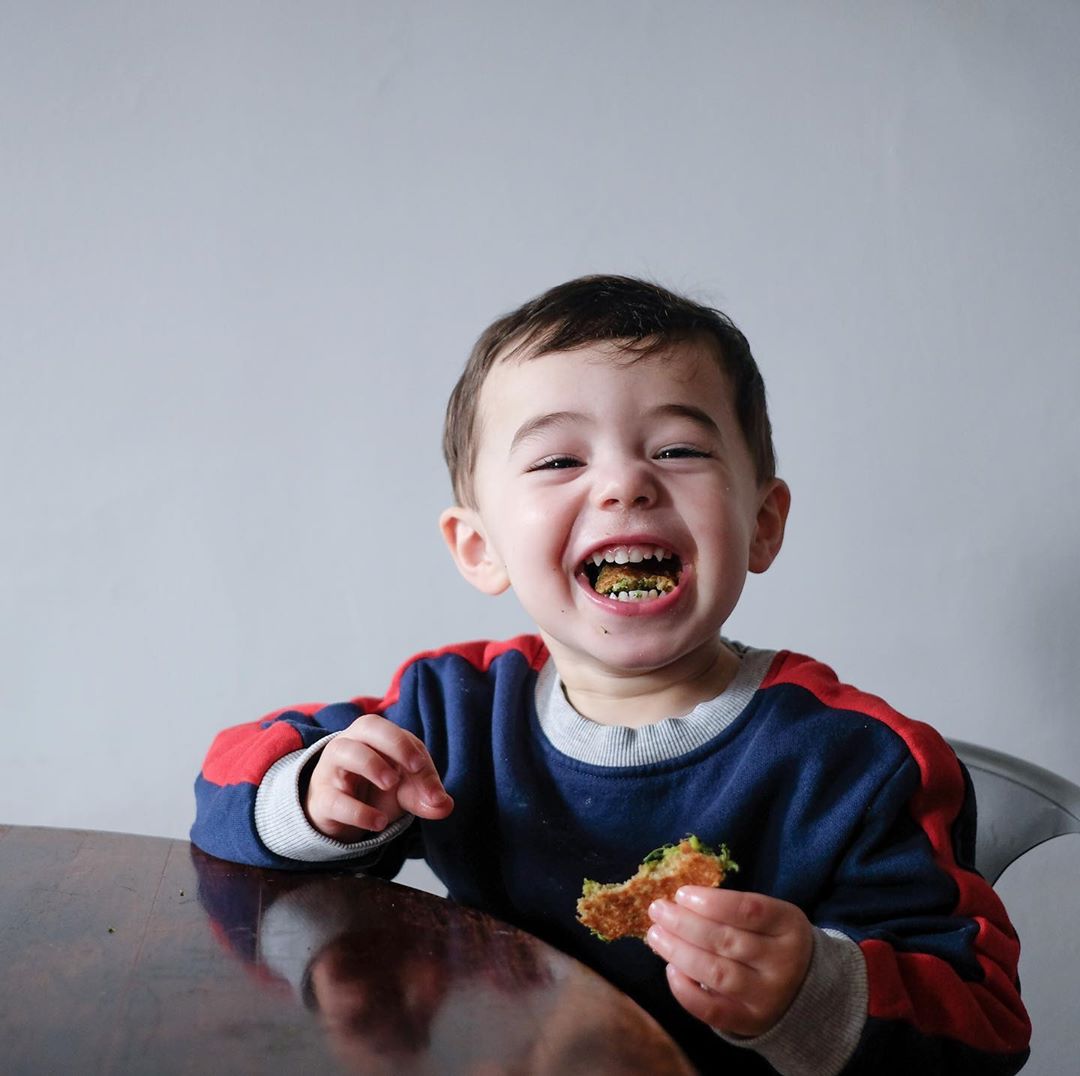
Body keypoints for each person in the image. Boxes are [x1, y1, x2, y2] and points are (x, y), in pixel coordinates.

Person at [192, 275, 1030, 1074]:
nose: (626, 483)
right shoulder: (454, 713)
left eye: (677, 448)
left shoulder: (855, 762)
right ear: (479, 548)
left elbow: (985, 1021)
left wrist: (811, 989)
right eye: (559, 461)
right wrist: (320, 795)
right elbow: (225, 784)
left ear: (762, 524)